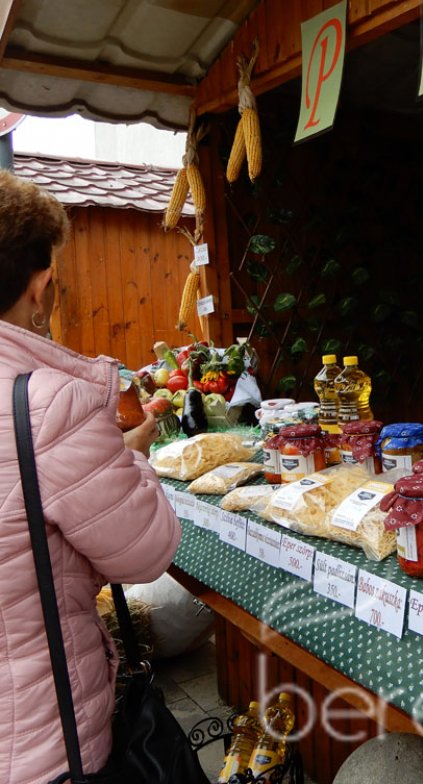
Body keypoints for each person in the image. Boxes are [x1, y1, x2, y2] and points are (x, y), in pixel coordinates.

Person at [0, 170, 182, 783]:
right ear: (42, 284)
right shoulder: (48, 405)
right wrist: (128, 456)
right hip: (40, 744)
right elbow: (147, 551)